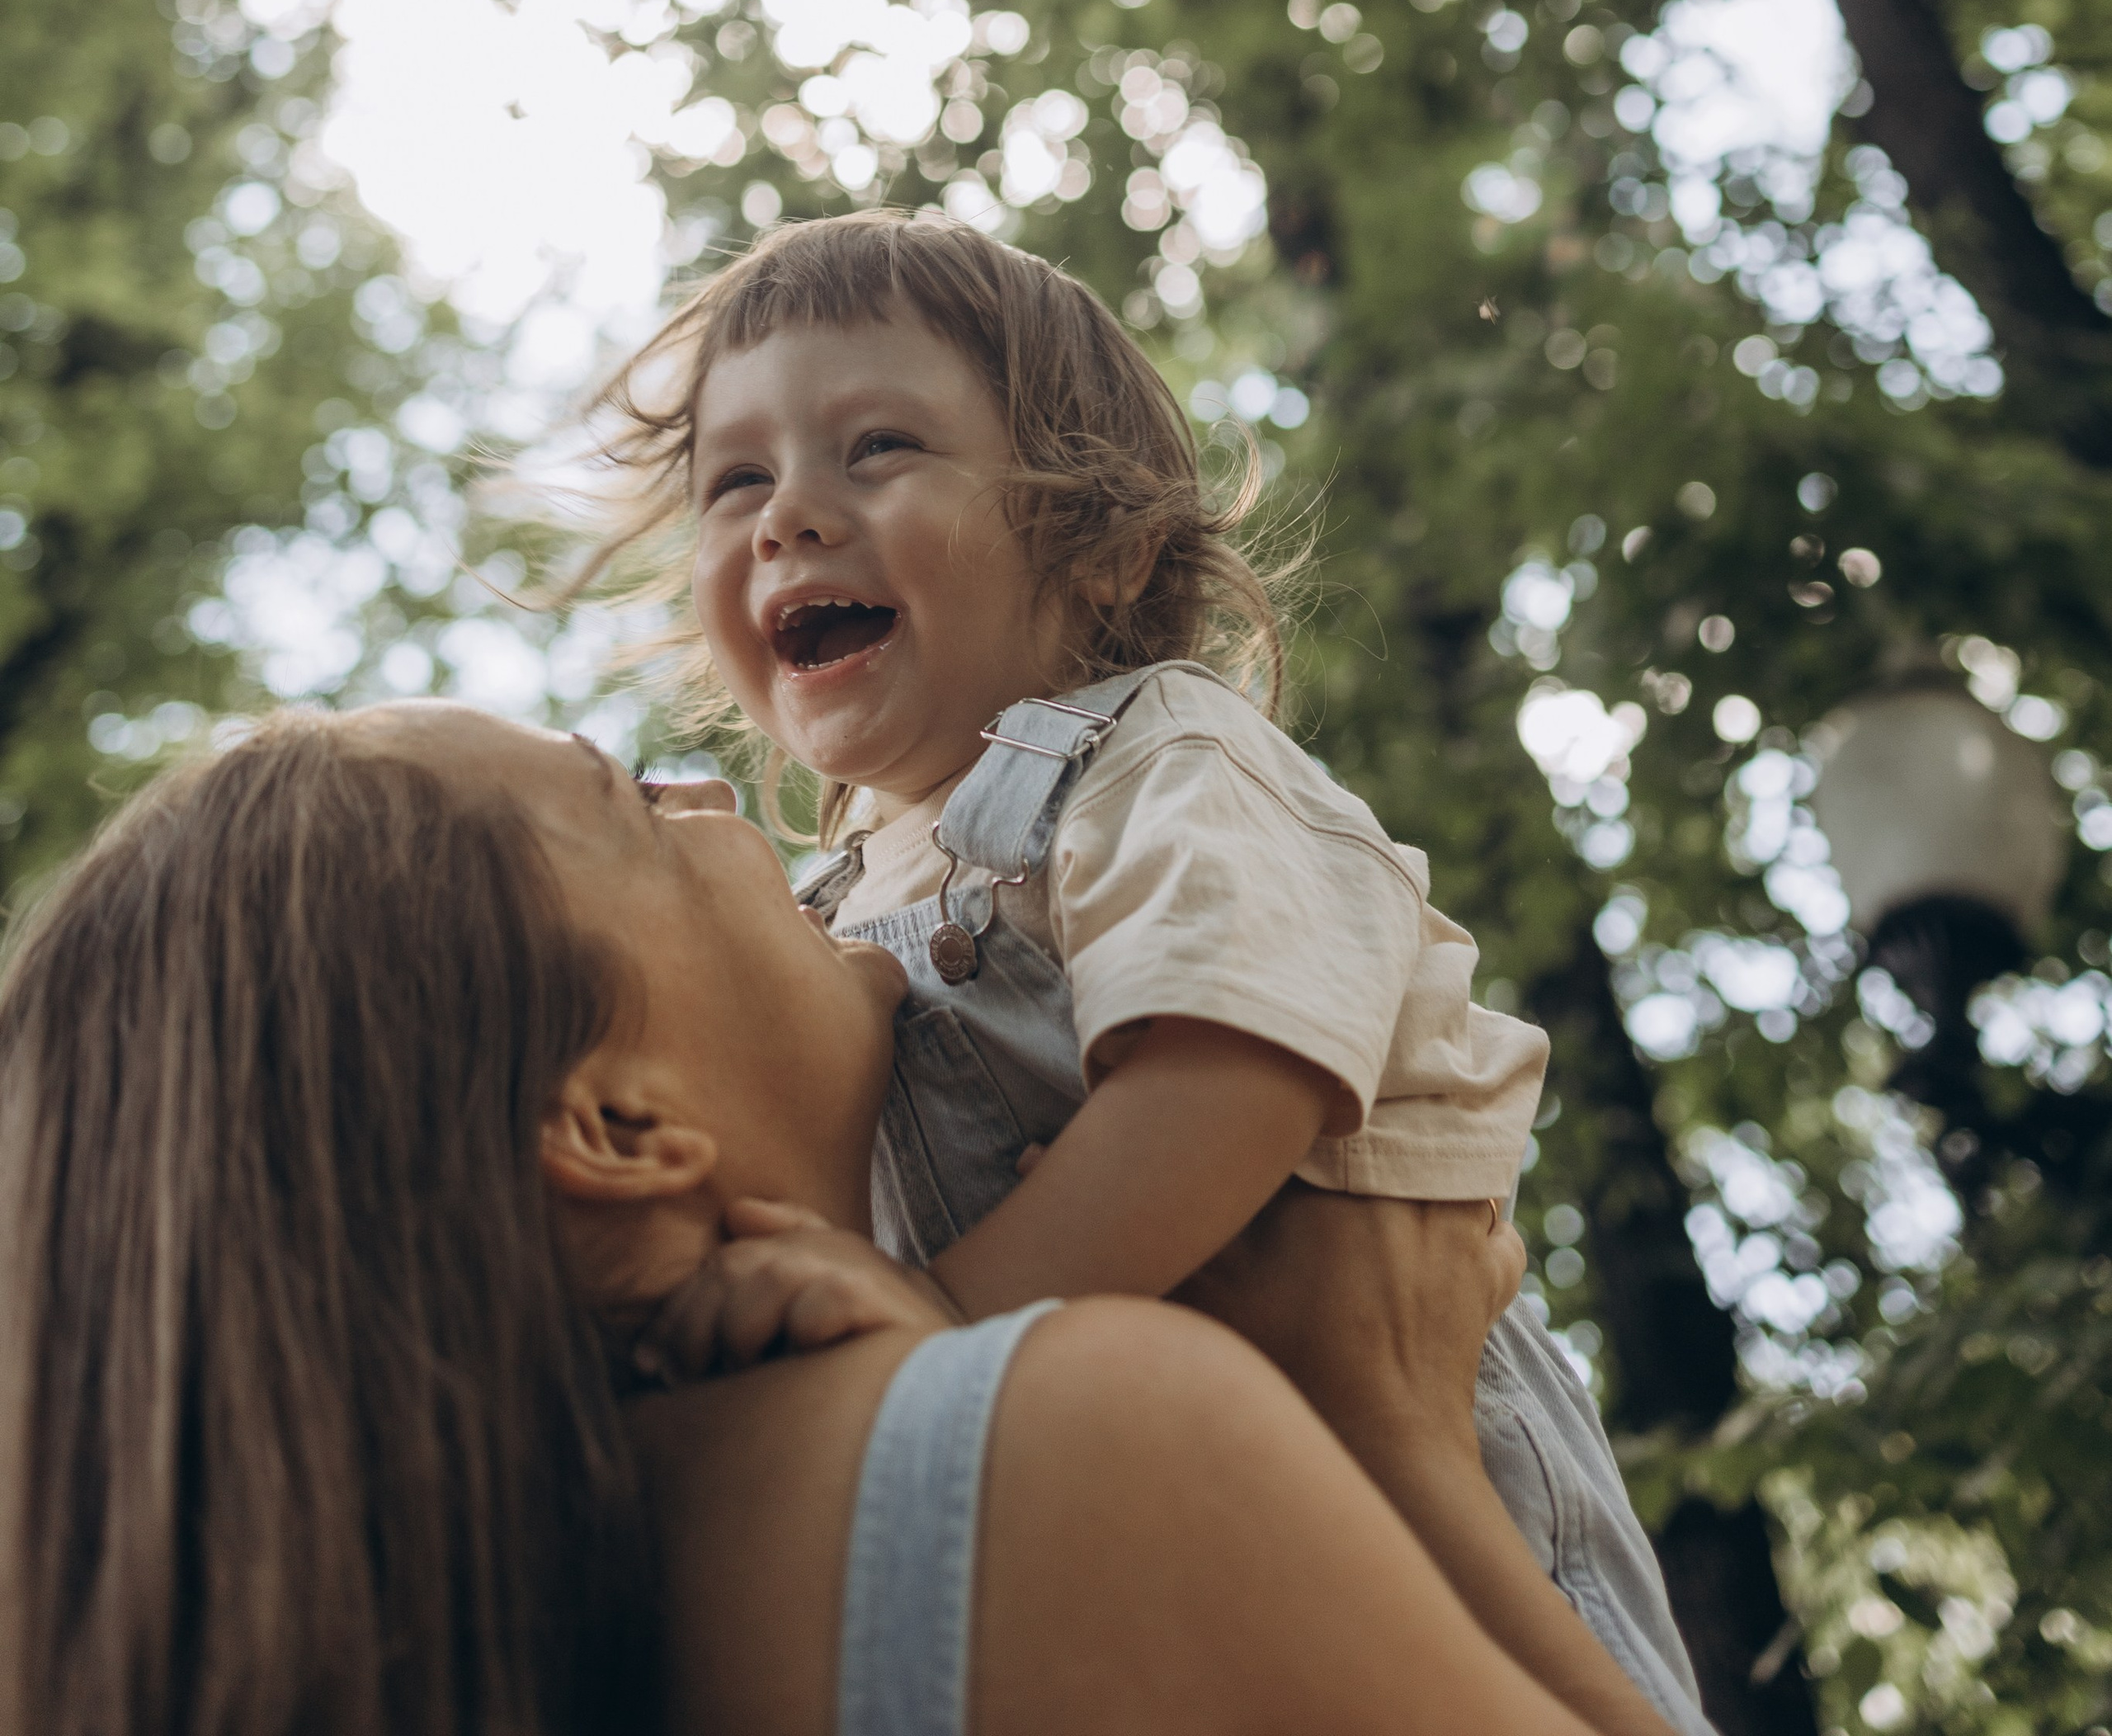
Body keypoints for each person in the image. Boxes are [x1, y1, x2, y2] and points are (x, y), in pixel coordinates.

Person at [573, 210, 1714, 1736]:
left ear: (1101, 540)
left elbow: (1235, 1076)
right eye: (739, 479)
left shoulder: (1152, 757)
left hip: (1444, 1491)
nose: (789, 515)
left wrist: (937, 1313)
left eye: (880, 448)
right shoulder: (834, 900)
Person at [0, 697, 1607, 1736]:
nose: (709, 783)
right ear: (619, 1125)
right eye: (632, 804)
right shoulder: (1043, 1465)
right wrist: (1391, 1428)